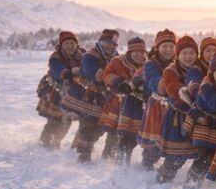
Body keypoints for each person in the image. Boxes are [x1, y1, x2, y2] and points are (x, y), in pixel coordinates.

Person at [60, 29, 120, 163]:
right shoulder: (90, 56)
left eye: (112, 44)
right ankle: (83, 155)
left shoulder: (116, 58)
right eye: (106, 42)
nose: (109, 46)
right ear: (100, 42)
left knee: (99, 128)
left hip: (102, 98)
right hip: (86, 95)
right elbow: (91, 71)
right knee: (87, 125)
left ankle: (81, 146)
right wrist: (111, 78)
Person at [182, 53, 216, 189]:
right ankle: (190, 187)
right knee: (203, 158)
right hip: (204, 127)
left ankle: (208, 187)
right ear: (212, 74)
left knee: (213, 158)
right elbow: (214, 101)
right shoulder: (206, 86)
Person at [155, 35, 199, 183]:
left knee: (201, 154)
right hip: (177, 118)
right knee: (176, 157)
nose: (188, 57)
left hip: (196, 118)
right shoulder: (171, 70)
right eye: (184, 53)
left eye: (191, 53)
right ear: (177, 55)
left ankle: (192, 185)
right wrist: (184, 90)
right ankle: (161, 181)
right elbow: (171, 86)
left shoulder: (200, 69)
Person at [137, 29, 177, 170]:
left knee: (171, 138)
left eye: (171, 46)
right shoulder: (150, 64)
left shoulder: (178, 63)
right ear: (157, 47)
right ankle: (146, 166)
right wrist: (168, 84)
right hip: (157, 106)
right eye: (164, 46)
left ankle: (167, 168)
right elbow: (152, 80)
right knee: (153, 142)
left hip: (173, 106)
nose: (168, 50)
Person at [36, 31, 84, 149]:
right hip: (55, 91)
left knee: (66, 121)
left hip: (73, 92)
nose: (70, 46)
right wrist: (69, 72)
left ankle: (56, 141)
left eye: (72, 43)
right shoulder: (55, 57)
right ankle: (44, 144)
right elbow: (59, 72)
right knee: (53, 120)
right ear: (61, 45)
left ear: (76, 44)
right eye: (67, 43)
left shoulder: (83, 55)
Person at [104, 36, 147, 166]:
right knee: (115, 133)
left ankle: (122, 160)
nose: (139, 55)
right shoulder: (118, 61)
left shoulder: (147, 65)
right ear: (129, 51)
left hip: (138, 105)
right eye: (136, 52)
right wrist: (118, 82)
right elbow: (107, 74)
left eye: (141, 52)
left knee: (132, 135)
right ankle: (107, 159)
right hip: (119, 101)